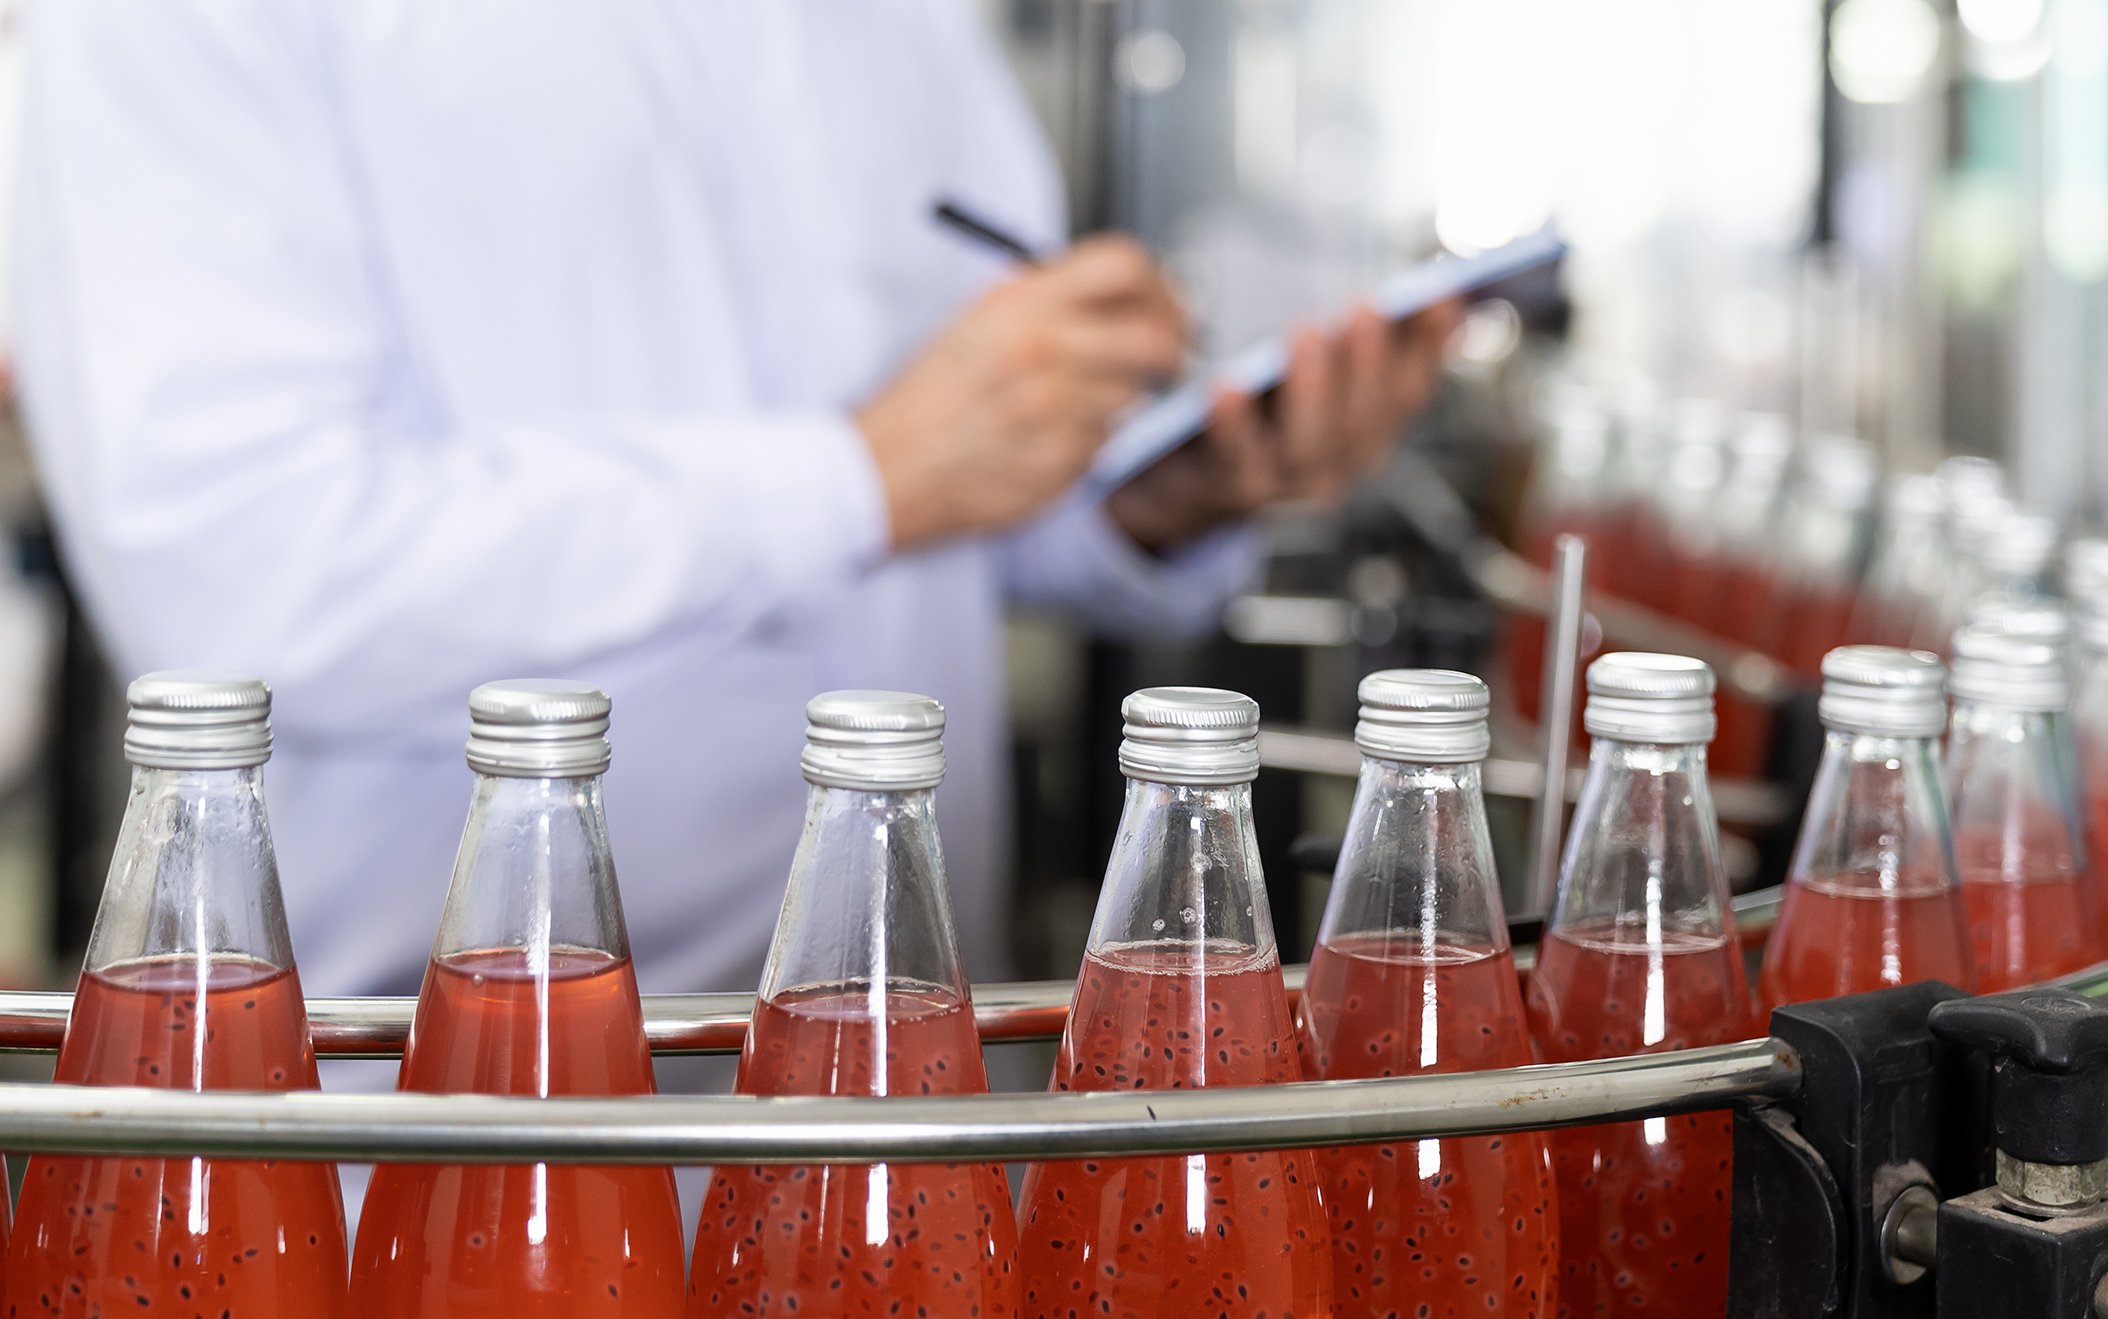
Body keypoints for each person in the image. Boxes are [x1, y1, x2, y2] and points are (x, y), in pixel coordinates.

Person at [13, 1, 1457, 998]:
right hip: (448, 1112)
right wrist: (862, 477)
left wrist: (1159, 493)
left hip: (908, 1065)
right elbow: (248, 577)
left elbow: (959, 475)